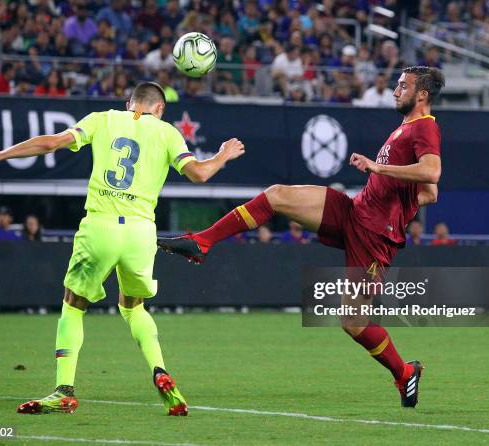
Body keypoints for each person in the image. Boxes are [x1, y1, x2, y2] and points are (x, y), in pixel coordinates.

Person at [158, 66, 445, 408]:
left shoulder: (426, 126)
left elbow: (432, 173)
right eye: (397, 84)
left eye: (403, 86)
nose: (396, 90)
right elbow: (429, 192)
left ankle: (404, 372)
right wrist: (401, 195)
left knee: (352, 322)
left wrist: (378, 170)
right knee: (277, 194)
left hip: (374, 236)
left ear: (422, 94)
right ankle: (202, 241)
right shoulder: (406, 128)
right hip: (355, 212)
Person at [0, 82, 245, 416]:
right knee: (134, 307)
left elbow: (52, 143)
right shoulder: (168, 133)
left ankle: (64, 389)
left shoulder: (102, 119)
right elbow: (199, 173)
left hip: (100, 226)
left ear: (128, 103)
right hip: (140, 232)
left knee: (73, 305)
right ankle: (160, 370)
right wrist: (223, 154)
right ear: (160, 109)